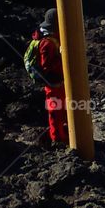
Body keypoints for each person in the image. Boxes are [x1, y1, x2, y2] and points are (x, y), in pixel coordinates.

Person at [35, 9, 68, 145]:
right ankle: (57, 139)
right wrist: (61, 57)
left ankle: (63, 135)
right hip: (53, 84)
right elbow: (46, 66)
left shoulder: (53, 40)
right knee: (55, 112)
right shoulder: (47, 43)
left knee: (63, 110)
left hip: (58, 83)